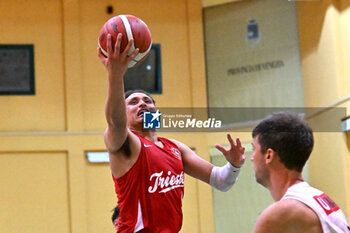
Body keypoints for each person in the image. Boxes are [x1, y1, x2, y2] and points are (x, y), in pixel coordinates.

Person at [97, 33, 246, 233]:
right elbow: (115, 121)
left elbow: (221, 181)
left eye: (148, 101)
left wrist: (234, 165)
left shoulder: (175, 148)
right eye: (133, 102)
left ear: (156, 113)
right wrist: (115, 75)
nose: (142, 103)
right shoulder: (126, 144)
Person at [251, 112, 350, 233]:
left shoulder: (281, 213)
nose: (251, 158)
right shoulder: (319, 198)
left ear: (269, 155)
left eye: (253, 149)